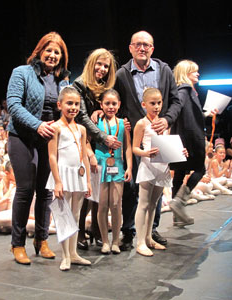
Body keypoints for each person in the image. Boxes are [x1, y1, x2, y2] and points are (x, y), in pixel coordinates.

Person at [114, 30, 182, 250]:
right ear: (131, 48)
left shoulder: (164, 70)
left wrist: (168, 119)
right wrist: (120, 121)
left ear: (152, 49)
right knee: (132, 187)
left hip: (159, 137)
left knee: (157, 189)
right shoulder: (121, 74)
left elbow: (175, 101)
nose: (142, 48)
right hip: (135, 138)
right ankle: (129, 231)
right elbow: (115, 102)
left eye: (147, 45)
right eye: (138, 44)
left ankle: (151, 231)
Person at [7, 32, 70, 265]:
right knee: (25, 190)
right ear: (40, 51)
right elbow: (13, 104)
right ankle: (18, 244)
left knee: (46, 191)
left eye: (57, 52)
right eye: (49, 50)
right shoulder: (21, 73)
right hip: (22, 137)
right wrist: (37, 125)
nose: (53, 55)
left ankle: (41, 240)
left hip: (48, 140)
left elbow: (67, 109)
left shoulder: (63, 81)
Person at [72, 48, 120, 250]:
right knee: (85, 190)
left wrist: (100, 110)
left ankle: (97, 230)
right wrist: (103, 136)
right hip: (82, 142)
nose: (102, 69)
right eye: (99, 64)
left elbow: (103, 110)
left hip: (99, 145)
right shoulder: (78, 84)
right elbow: (82, 116)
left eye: (106, 66)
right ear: (91, 64)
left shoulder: (103, 88)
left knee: (98, 190)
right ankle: (81, 231)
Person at [45, 86, 92, 271]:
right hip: (63, 174)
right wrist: (57, 180)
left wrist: (88, 180)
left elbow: (84, 156)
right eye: (69, 103)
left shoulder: (81, 128)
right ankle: (64, 255)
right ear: (59, 105)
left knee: (76, 215)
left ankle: (73, 253)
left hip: (78, 174)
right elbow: (52, 156)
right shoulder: (55, 127)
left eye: (76, 104)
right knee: (63, 216)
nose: (73, 107)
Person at [168, 59, 217, 226]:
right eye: (194, 71)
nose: (198, 73)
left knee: (180, 173)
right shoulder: (185, 90)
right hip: (189, 138)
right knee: (200, 168)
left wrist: (205, 114)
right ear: (185, 73)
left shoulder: (185, 90)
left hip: (181, 136)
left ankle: (177, 216)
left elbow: (188, 114)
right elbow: (177, 108)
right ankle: (179, 202)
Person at [132, 88, 173, 256]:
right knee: (143, 203)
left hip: (162, 166)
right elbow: (134, 147)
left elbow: (168, 145)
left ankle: (149, 238)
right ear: (144, 104)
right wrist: (145, 153)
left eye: (159, 103)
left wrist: (180, 151)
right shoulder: (142, 123)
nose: (156, 106)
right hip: (148, 165)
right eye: (152, 103)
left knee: (154, 204)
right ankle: (140, 241)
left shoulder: (164, 123)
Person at [93, 89, 132, 254]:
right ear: (101, 105)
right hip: (100, 166)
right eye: (107, 103)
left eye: (114, 103)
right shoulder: (96, 122)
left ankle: (116, 241)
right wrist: (91, 158)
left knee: (116, 205)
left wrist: (129, 166)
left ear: (119, 105)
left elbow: (128, 147)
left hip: (117, 166)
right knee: (102, 205)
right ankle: (105, 241)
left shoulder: (123, 124)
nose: (111, 107)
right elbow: (88, 142)